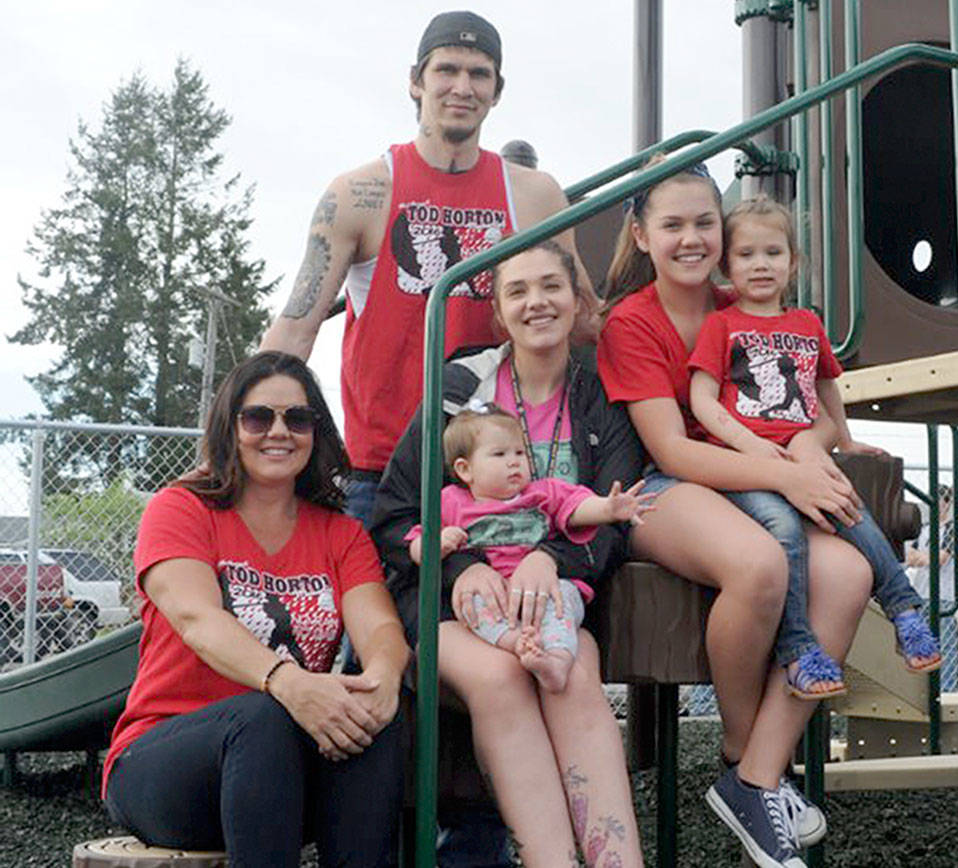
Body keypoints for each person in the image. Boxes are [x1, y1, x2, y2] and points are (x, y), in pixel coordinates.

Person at [598, 162, 875, 868]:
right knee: (759, 567)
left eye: (704, 224)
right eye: (673, 225)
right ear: (641, 234)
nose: (692, 239)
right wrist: (789, 475)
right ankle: (738, 745)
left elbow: (810, 411)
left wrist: (813, 453)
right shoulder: (632, 323)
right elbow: (674, 450)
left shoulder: (748, 305)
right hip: (664, 487)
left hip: (759, 479)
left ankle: (755, 775)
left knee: (847, 573)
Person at [259, 10, 595, 524]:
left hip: (497, 470)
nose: (462, 87)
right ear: (416, 81)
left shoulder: (535, 195)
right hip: (381, 468)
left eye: (479, 74)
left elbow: (586, 320)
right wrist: (232, 436)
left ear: (497, 90)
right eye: (447, 70)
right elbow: (297, 328)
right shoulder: (361, 192)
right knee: (377, 607)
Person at [370, 241, 646, 867]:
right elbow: (393, 514)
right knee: (499, 678)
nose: (537, 302)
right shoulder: (459, 389)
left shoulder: (601, 395)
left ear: (577, 300)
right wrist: (460, 566)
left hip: (552, 595)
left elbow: (616, 512)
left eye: (552, 286)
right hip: (452, 595)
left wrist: (553, 558)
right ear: (498, 311)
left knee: (571, 673)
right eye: (518, 291)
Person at [102, 351, 410, 867]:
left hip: (281, 766)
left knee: (372, 724)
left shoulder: (340, 532)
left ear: (316, 431)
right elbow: (198, 620)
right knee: (265, 716)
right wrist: (289, 683)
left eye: (298, 418)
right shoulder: (180, 509)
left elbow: (379, 624)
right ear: (231, 426)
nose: (279, 431)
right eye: (258, 417)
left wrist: (381, 679)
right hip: (166, 762)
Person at [686, 196, 940, 698]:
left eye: (773, 253)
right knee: (782, 531)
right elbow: (701, 398)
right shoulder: (722, 325)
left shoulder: (806, 324)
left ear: (793, 262)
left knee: (850, 509)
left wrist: (843, 440)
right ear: (726, 266)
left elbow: (826, 389)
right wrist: (745, 443)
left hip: (802, 452)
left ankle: (904, 609)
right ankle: (799, 647)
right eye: (746, 255)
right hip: (746, 463)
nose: (761, 265)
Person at [415, 405, 654, 692]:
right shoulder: (451, 501)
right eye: (499, 454)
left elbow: (576, 507)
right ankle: (518, 643)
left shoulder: (542, 492)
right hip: (496, 594)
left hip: (544, 587)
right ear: (465, 469)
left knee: (564, 599)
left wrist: (607, 508)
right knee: (475, 603)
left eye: (520, 453)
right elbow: (417, 545)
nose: (514, 462)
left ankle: (556, 661)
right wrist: (438, 544)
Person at [906, 484, 958, 690]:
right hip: (921, 592)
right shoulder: (924, 529)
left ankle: (947, 687)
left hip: (944, 594)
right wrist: (925, 558)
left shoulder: (952, 528)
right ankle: (924, 687)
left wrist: (925, 558)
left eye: (936, 501)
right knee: (922, 642)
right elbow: (910, 557)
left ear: (946, 503)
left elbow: (941, 558)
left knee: (945, 642)